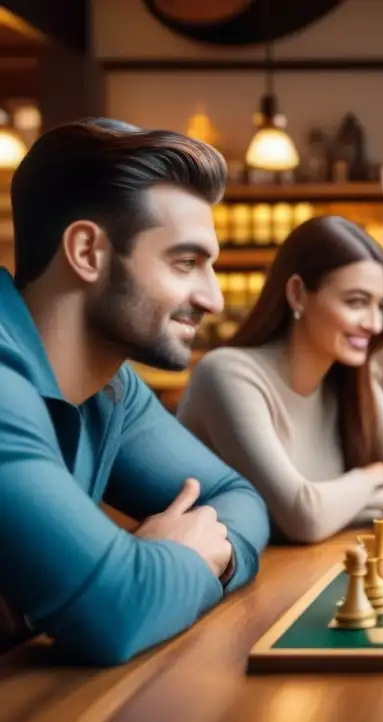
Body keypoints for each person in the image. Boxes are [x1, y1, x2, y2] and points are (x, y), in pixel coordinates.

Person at [0, 118, 270, 666]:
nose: (214, 299)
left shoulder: (113, 388)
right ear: (87, 251)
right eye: (186, 262)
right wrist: (171, 562)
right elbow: (116, 610)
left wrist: (169, 564)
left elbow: (239, 497)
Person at [176, 215, 383, 544]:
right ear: (298, 294)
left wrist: (333, 503)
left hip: (309, 573)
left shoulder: (353, 375)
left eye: (380, 305)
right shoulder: (226, 374)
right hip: (232, 586)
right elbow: (305, 517)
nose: (375, 323)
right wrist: (371, 476)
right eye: (356, 302)